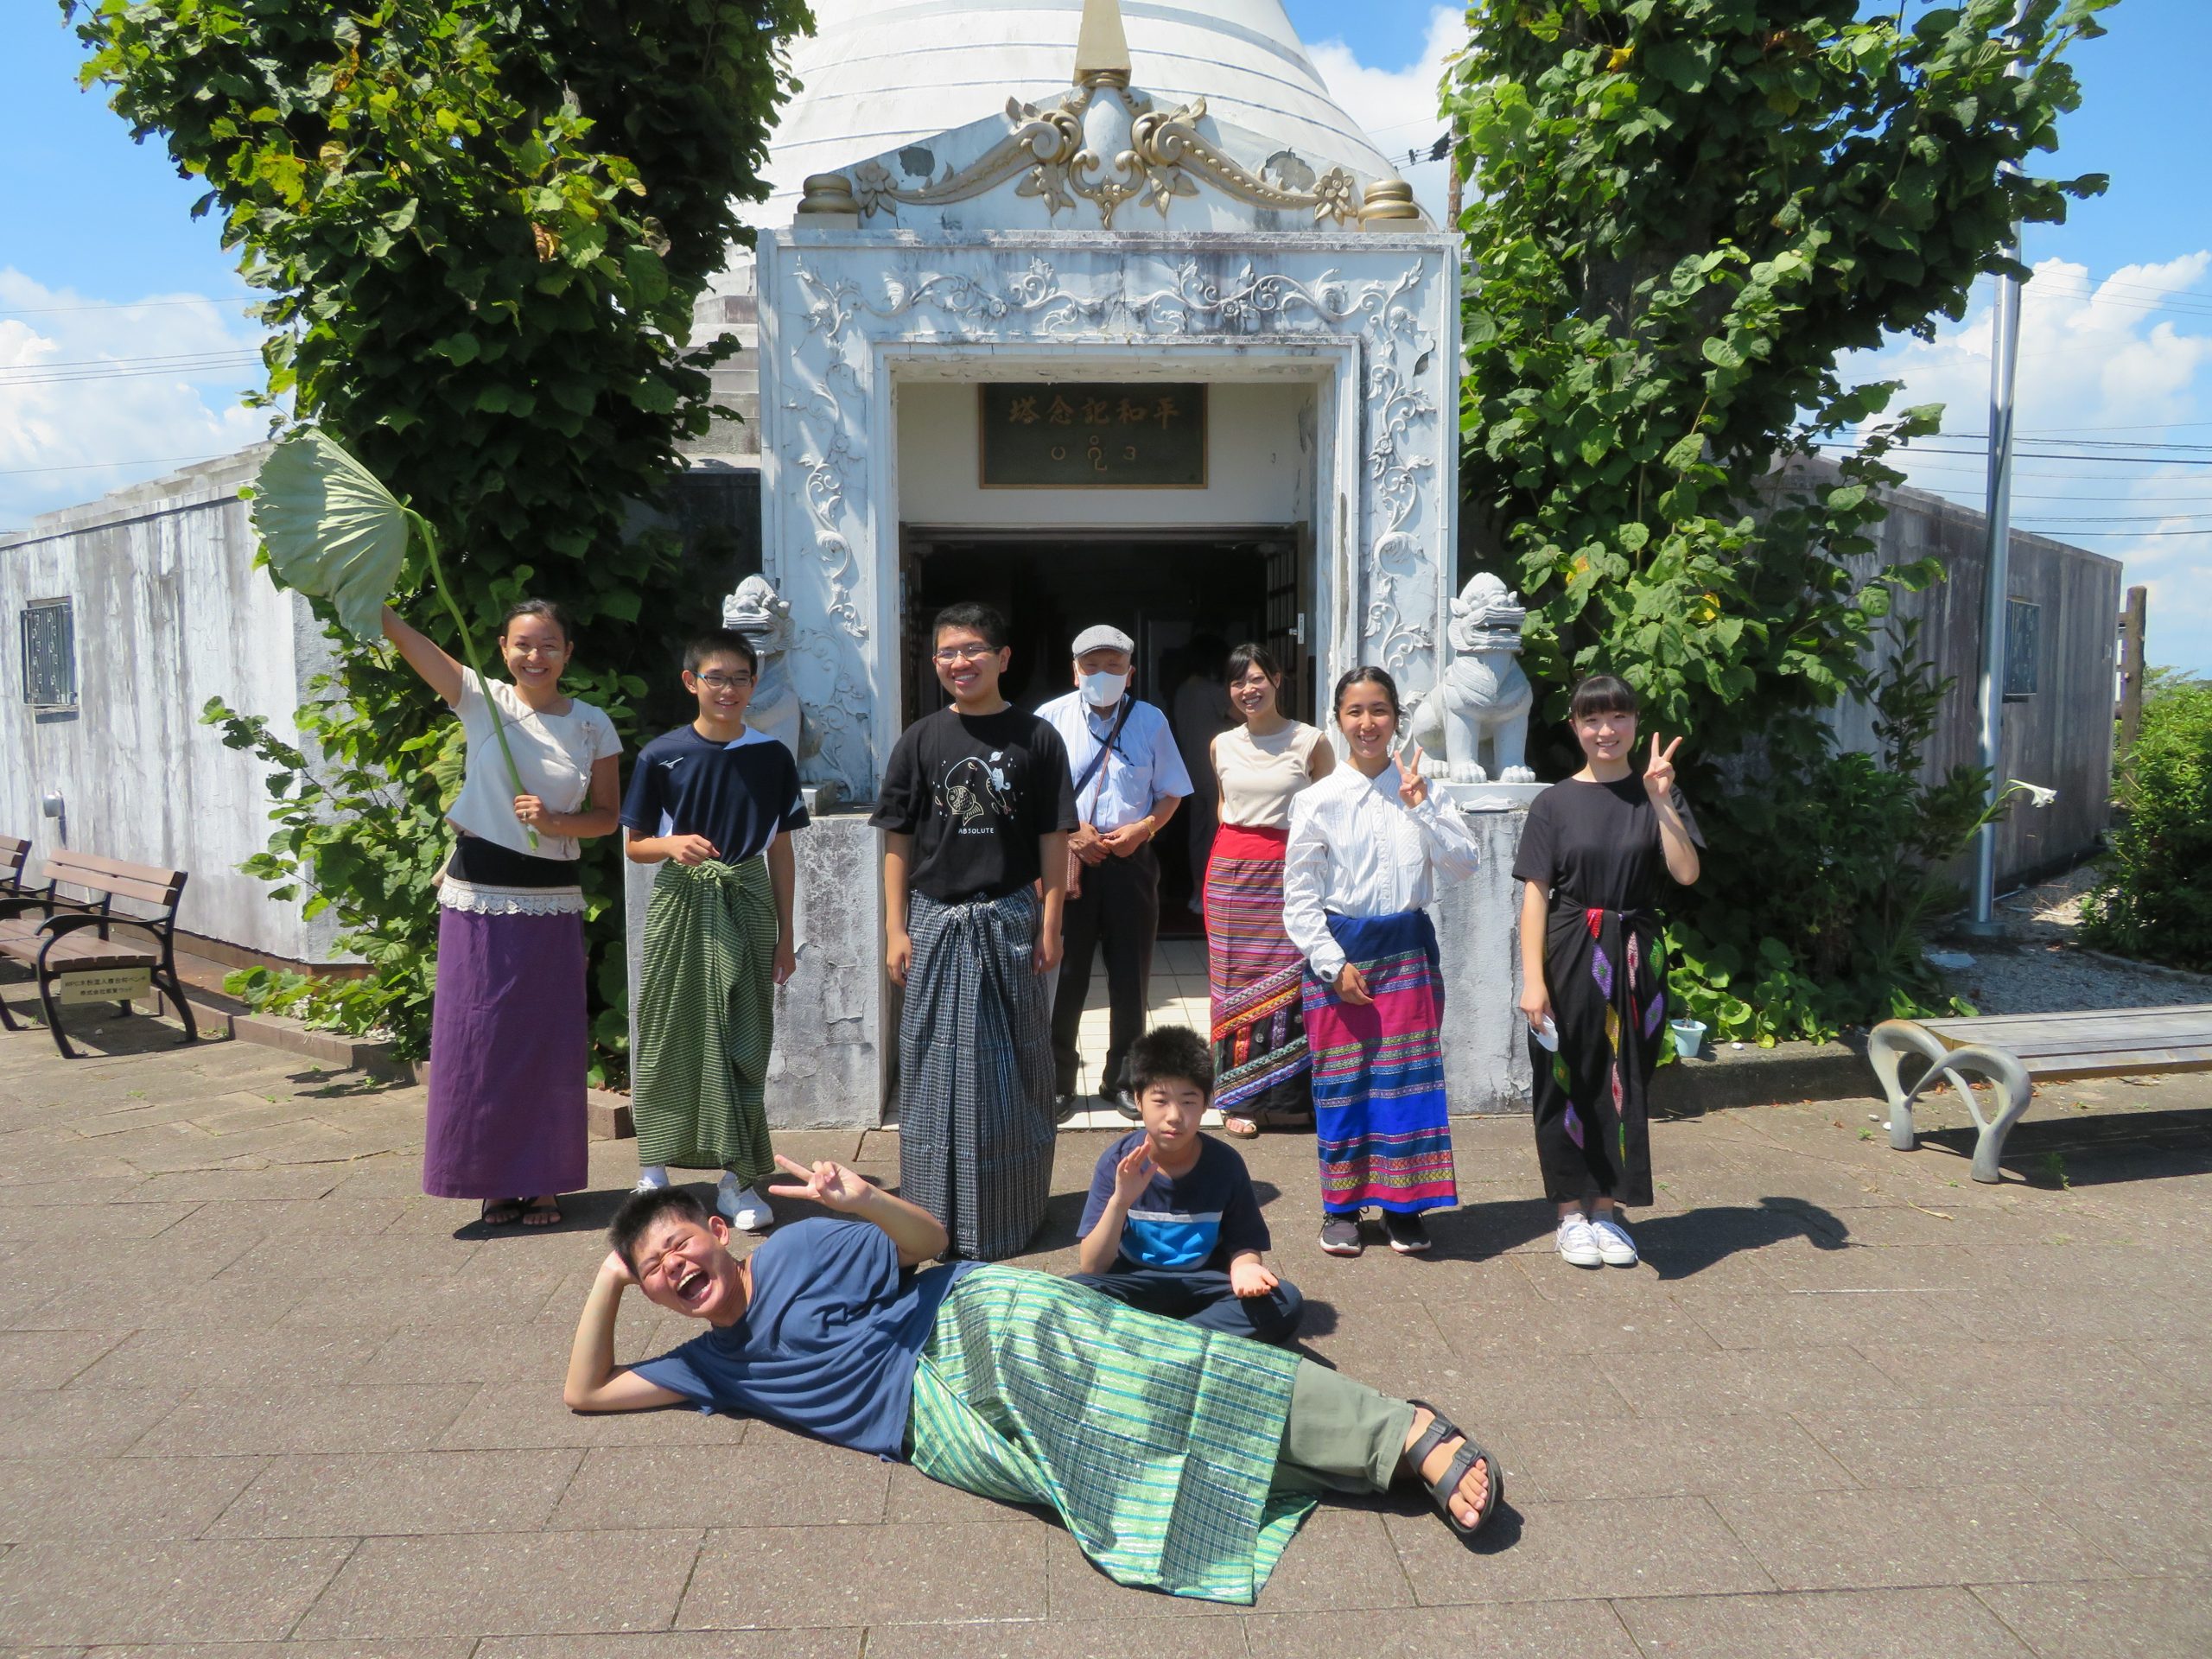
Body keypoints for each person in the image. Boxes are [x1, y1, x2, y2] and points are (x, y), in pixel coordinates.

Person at [563, 1164, 1503, 1606]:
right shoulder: (708, 1368)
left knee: (1154, 1371)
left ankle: (1399, 1433)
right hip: (934, 1426)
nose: (671, 1266)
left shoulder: (801, 1245)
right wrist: (605, 1276)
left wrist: (865, 1203)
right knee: (1105, 1467)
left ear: (719, 1233)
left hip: (971, 1321)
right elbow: (587, 1393)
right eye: (651, 1269)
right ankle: (1340, 1455)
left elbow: (929, 1248)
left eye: (679, 1241)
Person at [381, 600, 621, 1228]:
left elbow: (607, 817)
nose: (534, 656)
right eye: (522, 644)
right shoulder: (481, 700)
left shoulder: (594, 725)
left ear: (568, 653)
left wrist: (555, 822)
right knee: (479, 1041)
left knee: (545, 1042)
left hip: (552, 900)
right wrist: (372, 596)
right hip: (479, 899)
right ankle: (491, 1179)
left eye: (548, 645)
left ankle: (542, 1182)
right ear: (502, 648)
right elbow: (412, 643)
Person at [871, 602, 1074, 1260]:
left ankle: (1011, 1218)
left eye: (974, 650)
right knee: (931, 1073)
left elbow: (1053, 838)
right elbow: (898, 840)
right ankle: (932, 1219)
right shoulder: (922, 739)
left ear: (1003, 657)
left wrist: (1051, 922)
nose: (961, 663)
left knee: (1014, 1070)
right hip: (935, 921)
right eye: (947, 653)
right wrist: (895, 929)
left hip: (1010, 918)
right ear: (935, 663)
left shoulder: (1037, 738)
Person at [1282, 666, 1480, 1259]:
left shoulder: (1424, 790)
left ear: (1397, 717)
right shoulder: (1316, 799)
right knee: (1343, 1084)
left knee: (1404, 1083)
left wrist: (1423, 808)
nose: (1368, 723)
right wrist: (1330, 963)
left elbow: (1465, 864)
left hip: (1409, 951)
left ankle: (1404, 1207)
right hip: (1340, 953)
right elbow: (1298, 895)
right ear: (1337, 720)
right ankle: (1341, 1209)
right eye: (1355, 711)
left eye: (1379, 711)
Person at [621, 629, 807, 1231]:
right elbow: (635, 845)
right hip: (683, 895)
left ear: (755, 684)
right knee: (668, 1029)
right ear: (691, 682)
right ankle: (654, 1166)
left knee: (745, 1037)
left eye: (740, 679)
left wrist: (786, 933)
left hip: (748, 892)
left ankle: (739, 1178)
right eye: (716, 678)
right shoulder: (661, 755)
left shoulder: (772, 754)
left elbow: (780, 848)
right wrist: (671, 844)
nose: (728, 690)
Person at [1514, 674, 1701, 1269]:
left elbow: (1686, 873)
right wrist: (1533, 980)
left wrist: (1663, 800)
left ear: (1635, 724)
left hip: (1634, 955)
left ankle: (1608, 1209)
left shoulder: (1656, 794)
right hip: (1570, 952)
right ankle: (1570, 1213)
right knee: (1566, 1078)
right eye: (1592, 720)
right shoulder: (1552, 804)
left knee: (1626, 1080)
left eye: (1618, 717)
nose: (1605, 731)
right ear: (1574, 727)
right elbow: (1536, 898)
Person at [1039, 624, 1192, 1115]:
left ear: (1130, 673)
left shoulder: (1151, 721)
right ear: (1074, 669)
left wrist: (1143, 830)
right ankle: (1059, 1079)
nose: (1102, 674)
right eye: (1091, 665)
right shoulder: (1049, 719)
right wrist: (1071, 830)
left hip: (1131, 861)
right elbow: (1030, 795)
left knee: (1132, 975)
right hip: (1069, 860)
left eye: (1113, 665)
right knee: (1066, 973)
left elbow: (1171, 792)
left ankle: (1124, 1079)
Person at [1071, 1025, 1304, 1346]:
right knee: (1071, 1295)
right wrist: (1120, 1201)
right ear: (1138, 1100)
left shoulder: (1225, 1164)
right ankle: (1185, 1344)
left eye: (1189, 1101)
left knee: (1285, 1300)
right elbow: (1092, 1266)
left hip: (1203, 1286)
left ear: (1207, 1102)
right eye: (1161, 1101)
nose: (1175, 1116)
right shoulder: (1118, 1161)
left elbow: (1245, 1243)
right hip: (1133, 1284)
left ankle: (1148, 1343)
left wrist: (1246, 1268)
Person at [1205, 643, 1334, 1139]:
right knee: (1234, 986)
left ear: (1277, 679)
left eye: (1257, 678)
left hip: (1292, 873)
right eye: (1238, 682)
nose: (1248, 690)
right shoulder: (1221, 744)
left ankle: (1293, 1102)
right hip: (1231, 878)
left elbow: (1329, 814)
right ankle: (1237, 1100)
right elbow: (1223, 806)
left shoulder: (1311, 742)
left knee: (1294, 981)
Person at [1169, 634, 1236, 912]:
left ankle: (1198, 890)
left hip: (1190, 770)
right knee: (1214, 831)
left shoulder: (1183, 689)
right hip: (1216, 772)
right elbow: (1244, 716)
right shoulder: (1213, 691)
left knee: (1197, 833)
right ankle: (1210, 892)